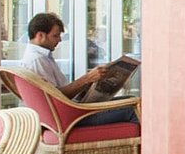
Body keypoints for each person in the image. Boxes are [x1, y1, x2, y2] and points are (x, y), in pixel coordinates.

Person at [10, 12, 138, 127]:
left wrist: (92, 84)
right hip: (70, 118)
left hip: (71, 111)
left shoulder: (41, 57)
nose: (60, 40)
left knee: (131, 99)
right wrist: (87, 79)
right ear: (40, 35)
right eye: (55, 36)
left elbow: (58, 93)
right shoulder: (37, 61)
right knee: (134, 109)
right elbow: (56, 98)